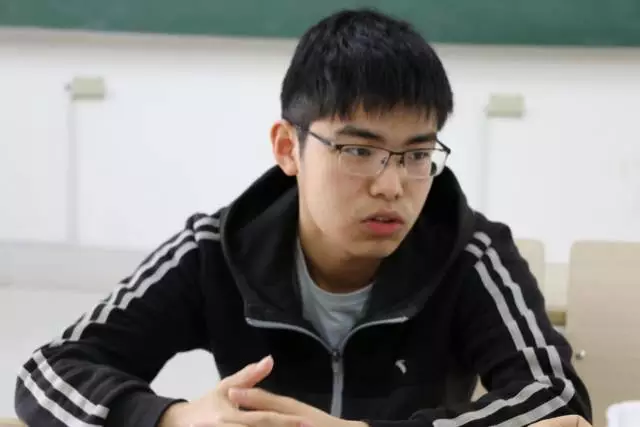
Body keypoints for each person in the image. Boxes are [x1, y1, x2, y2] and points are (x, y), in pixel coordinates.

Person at [14, 8, 592, 427]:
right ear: (288, 149)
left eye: (417, 155)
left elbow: (555, 399)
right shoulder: (217, 249)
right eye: (358, 150)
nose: (391, 185)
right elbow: (49, 372)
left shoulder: (468, 251)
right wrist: (173, 418)